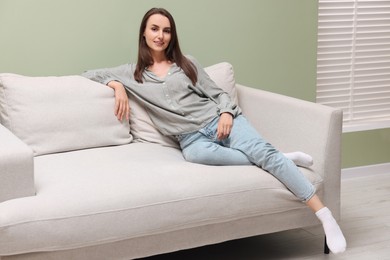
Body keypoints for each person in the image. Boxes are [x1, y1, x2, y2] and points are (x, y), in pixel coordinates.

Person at [82, 7, 346, 254]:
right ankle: (281, 158)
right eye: (154, 29)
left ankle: (324, 215)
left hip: (220, 121)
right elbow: (88, 73)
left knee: (260, 151)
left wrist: (227, 113)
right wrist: (116, 84)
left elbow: (219, 94)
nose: (160, 35)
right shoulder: (133, 74)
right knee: (197, 155)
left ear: (172, 35)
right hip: (192, 140)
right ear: (144, 32)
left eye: (166, 30)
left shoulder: (187, 64)